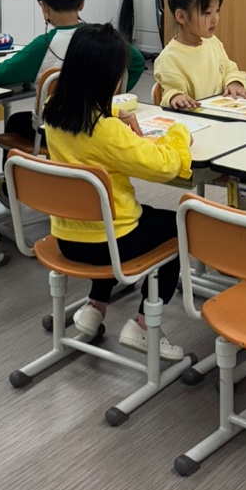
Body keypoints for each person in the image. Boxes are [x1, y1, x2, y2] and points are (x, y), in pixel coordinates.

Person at [43, 24, 192, 360]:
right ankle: (143, 325)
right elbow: (164, 166)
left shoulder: (53, 111)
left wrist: (113, 111)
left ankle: (95, 307)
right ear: (110, 79)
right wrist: (179, 134)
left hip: (67, 237)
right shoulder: (108, 133)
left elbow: (89, 117)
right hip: (110, 243)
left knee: (115, 223)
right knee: (180, 226)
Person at [0, 0, 146, 151]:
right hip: (97, 125)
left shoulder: (43, 45)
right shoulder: (105, 39)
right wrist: (111, 94)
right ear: (82, 3)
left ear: (44, 7)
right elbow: (137, 62)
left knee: (16, 121)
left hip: (53, 130)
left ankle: (14, 171)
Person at [154, 0, 246, 111]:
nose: (215, 19)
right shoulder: (169, 58)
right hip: (195, 119)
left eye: (217, 11)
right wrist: (176, 97)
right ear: (181, 17)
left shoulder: (213, 42)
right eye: (207, 13)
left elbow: (230, 70)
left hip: (222, 112)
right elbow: (171, 91)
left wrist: (234, 83)